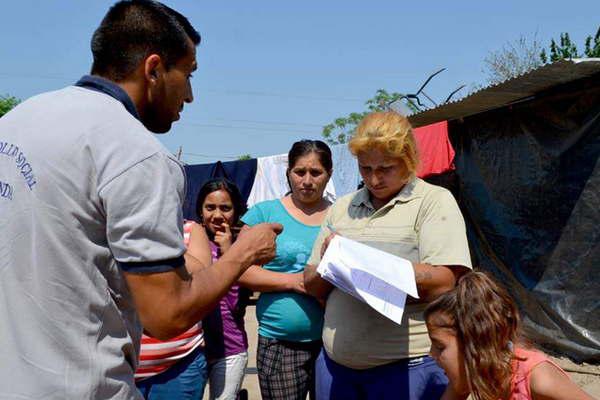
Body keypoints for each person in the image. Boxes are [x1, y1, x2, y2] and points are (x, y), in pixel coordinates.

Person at [0, 1, 280, 399]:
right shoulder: (137, 154)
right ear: (153, 70)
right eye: (188, 74)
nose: (190, 95)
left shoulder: (14, 124)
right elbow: (167, 314)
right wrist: (242, 254)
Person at [304, 111, 472, 400]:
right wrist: (331, 259)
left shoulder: (433, 202)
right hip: (336, 368)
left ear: (408, 160)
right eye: (365, 168)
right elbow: (311, 281)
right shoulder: (342, 207)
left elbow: (446, 282)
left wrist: (367, 265)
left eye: (386, 168)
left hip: (406, 370)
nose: (374, 178)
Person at [239, 140, 333, 400]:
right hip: (280, 344)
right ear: (288, 172)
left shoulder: (341, 215)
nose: (307, 180)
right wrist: (296, 282)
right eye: (299, 172)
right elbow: (241, 270)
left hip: (334, 342)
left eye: (316, 173)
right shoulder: (264, 213)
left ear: (329, 174)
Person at [424, 272, 595, 400]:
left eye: (440, 347)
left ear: (476, 344)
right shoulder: (478, 373)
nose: (431, 354)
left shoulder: (539, 379)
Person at [199, 179, 250, 400]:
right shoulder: (190, 242)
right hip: (194, 351)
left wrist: (229, 251)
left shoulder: (244, 248)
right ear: (200, 211)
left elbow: (234, 302)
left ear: (236, 211)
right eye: (210, 207)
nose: (217, 215)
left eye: (225, 208)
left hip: (230, 351)